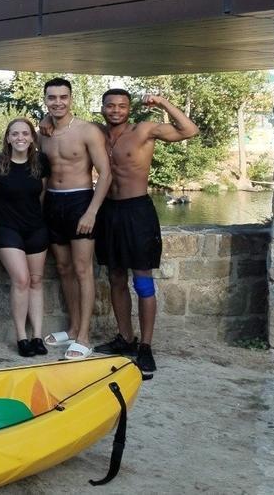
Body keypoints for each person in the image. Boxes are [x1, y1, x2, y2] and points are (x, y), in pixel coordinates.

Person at [92, 90, 198, 378]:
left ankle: (146, 346)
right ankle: (126, 338)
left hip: (137, 211)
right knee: (115, 276)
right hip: (108, 211)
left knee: (142, 280)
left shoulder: (144, 130)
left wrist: (163, 102)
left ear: (129, 109)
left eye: (122, 106)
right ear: (102, 108)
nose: (116, 110)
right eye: (110, 106)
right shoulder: (98, 134)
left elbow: (189, 130)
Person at [38, 78, 111, 360]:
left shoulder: (87, 131)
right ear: (45, 100)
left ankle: (84, 336)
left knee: (83, 270)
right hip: (53, 202)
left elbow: (105, 173)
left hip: (80, 200)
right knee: (64, 268)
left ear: (71, 99)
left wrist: (91, 211)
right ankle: (72, 328)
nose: (58, 102)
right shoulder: (42, 132)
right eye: (52, 98)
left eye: (63, 97)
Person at [0, 119, 51, 357]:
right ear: (7, 137)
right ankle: (21, 337)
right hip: (7, 229)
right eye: (15, 133)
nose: (20, 138)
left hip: (35, 228)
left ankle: (37, 336)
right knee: (22, 279)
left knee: (36, 281)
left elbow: (42, 195)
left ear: (31, 138)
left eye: (25, 133)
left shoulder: (41, 163)